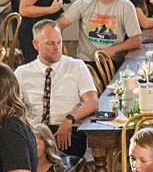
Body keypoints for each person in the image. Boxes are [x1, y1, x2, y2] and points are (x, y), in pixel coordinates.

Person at [14, 19, 99, 157]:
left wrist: (69, 119)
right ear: (36, 45)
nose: (56, 47)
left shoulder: (76, 66)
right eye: (50, 43)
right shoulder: (22, 72)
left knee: (37, 151)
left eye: (59, 42)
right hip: (35, 132)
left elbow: (93, 102)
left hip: (68, 131)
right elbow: (14, 107)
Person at [63, 0, 144, 66]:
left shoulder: (125, 6)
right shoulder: (84, 2)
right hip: (86, 64)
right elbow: (60, 23)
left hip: (113, 63)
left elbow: (136, 40)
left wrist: (113, 49)